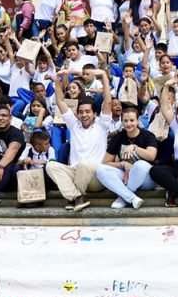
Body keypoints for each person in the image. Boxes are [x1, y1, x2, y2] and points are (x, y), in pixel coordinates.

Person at [45, 72, 112, 211]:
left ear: (94, 114)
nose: (84, 115)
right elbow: (60, 102)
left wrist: (103, 76)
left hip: (95, 176)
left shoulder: (102, 124)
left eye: (88, 112)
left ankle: (72, 197)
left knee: (84, 164)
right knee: (50, 166)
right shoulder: (74, 125)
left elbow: (108, 101)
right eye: (81, 112)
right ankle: (76, 197)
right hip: (75, 172)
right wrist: (57, 82)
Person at [95, 105, 158, 210]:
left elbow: (151, 156)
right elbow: (105, 163)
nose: (129, 124)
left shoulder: (147, 135)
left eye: (132, 120)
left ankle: (124, 196)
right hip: (125, 176)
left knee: (140, 165)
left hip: (146, 179)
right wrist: (122, 164)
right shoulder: (118, 137)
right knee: (100, 169)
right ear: (122, 122)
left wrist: (135, 148)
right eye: (125, 121)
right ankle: (131, 197)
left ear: (138, 121)